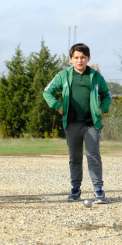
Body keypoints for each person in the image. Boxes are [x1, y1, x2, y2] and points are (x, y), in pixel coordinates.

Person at [43, 43, 111, 204]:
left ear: (88, 58)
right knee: (75, 157)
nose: (79, 61)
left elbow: (107, 95)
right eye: (76, 58)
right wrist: (58, 107)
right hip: (72, 123)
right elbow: (47, 92)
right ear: (71, 59)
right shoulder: (63, 75)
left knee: (93, 155)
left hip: (91, 123)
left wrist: (101, 110)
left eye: (82, 57)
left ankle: (98, 190)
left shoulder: (96, 76)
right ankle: (75, 189)